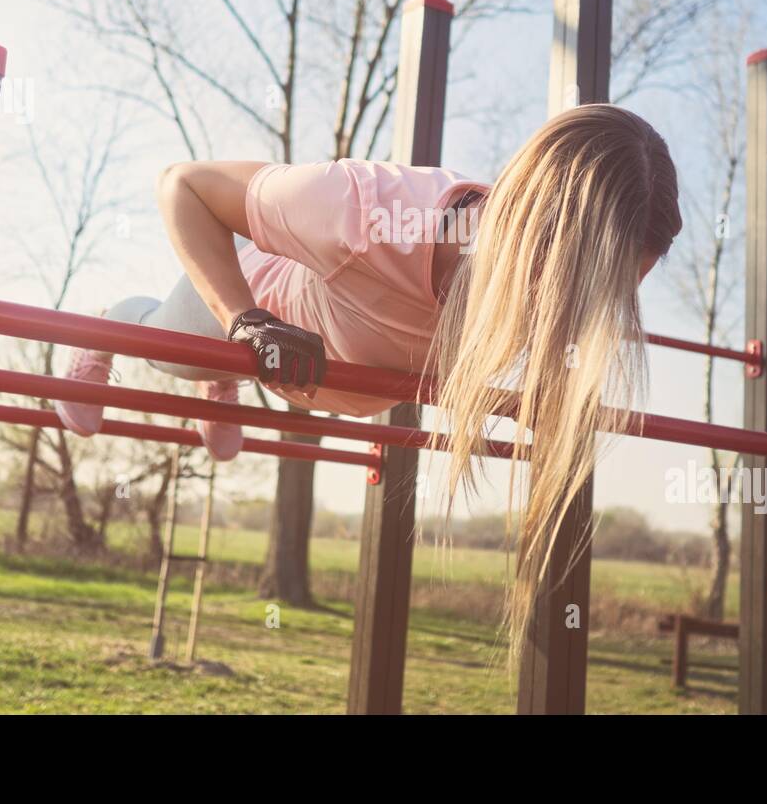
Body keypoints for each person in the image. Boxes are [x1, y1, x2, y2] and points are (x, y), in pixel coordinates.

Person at [54, 103, 681, 658]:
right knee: (174, 351)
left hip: (319, 371)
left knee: (221, 366)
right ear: (531, 230)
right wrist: (245, 323)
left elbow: (438, 372)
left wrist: (525, 402)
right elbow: (184, 185)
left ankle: (227, 382)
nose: (577, 311)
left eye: (608, 296)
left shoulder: (544, 296)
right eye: (577, 285)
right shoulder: (367, 210)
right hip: (249, 298)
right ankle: (110, 326)